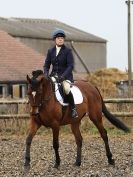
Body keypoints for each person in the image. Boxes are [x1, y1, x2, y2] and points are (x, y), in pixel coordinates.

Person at [43, 29, 78, 118]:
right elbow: (46, 65)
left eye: (62, 38)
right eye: (58, 38)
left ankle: (73, 109)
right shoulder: (50, 51)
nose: (60, 39)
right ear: (55, 39)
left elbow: (70, 66)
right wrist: (46, 74)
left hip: (65, 77)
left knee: (66, 88)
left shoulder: (68, 51)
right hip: (53, 76)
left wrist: (63, 76)